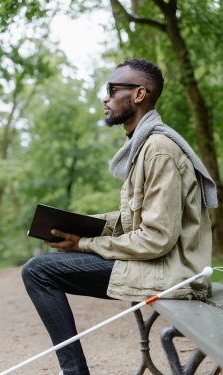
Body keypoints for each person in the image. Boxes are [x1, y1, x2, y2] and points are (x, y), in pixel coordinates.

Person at [22, 58, 217, 375]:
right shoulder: (144, 145)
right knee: (40, 269)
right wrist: (83, 225)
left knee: (38, 271)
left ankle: (74, 372)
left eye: (113, 90)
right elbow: (135, 217)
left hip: (173, 274)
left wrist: (86, 243)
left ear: (139, 94)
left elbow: (156, 237)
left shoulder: (159, 149)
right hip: (159, 264)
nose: (105, 97)